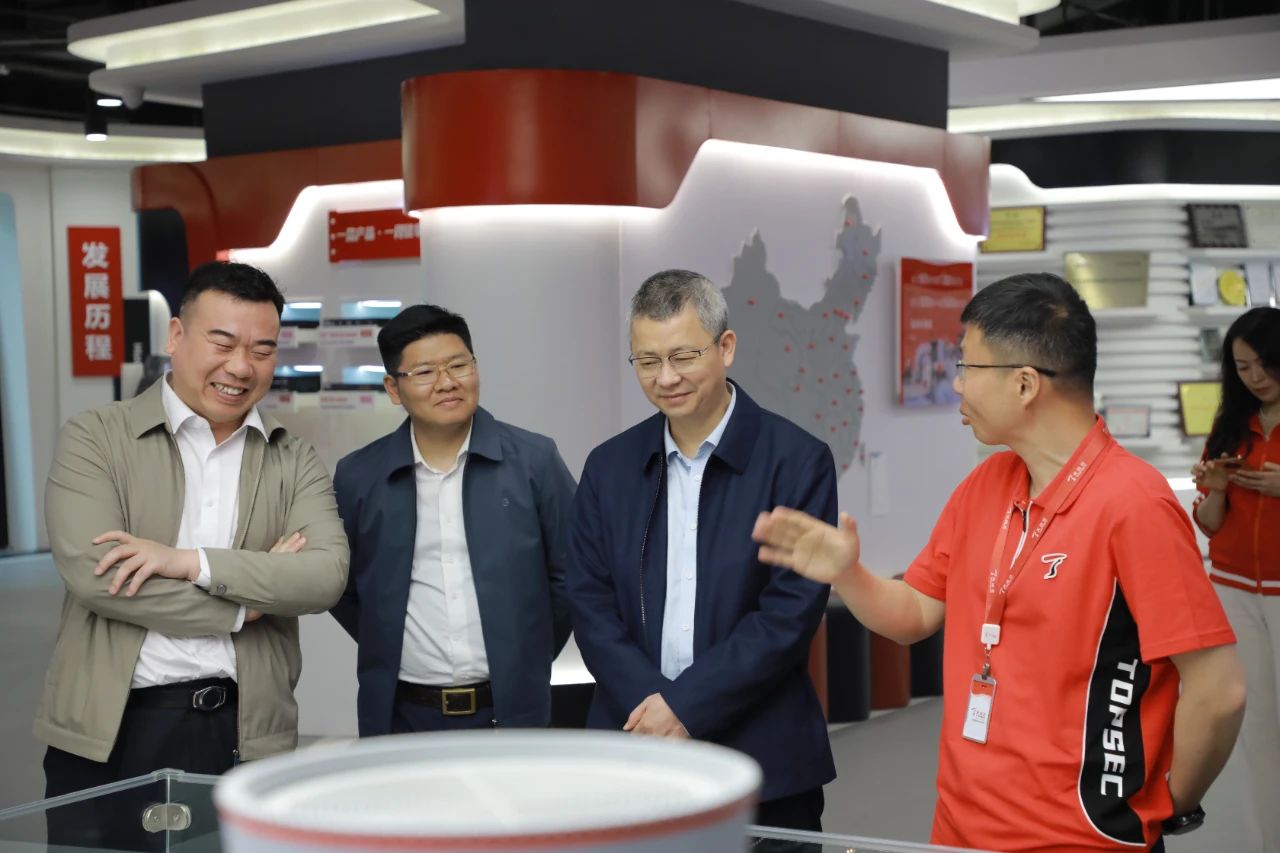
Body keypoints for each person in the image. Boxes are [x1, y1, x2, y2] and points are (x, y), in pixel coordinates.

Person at [753, 272, 1246, 852]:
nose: (956, 384)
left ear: (1025, 384)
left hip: (1079, 839)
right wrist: (849, 575)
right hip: (960, 829)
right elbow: (914, 613)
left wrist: (1166, 804)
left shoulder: (1133, 504)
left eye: (967, 366)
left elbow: (1218, 690)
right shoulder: (986, 484)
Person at [36, 261, 350, 846]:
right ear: (176, 336)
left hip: (244, 731)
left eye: (262, 350)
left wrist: (190, 563)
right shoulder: (96, 438)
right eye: (222, 343)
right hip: (111, 729)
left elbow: (324, 576)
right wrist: (247, 606)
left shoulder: (293, 459)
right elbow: (98, 576)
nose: (241, 367)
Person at [568, 269, 836, 833]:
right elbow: (590, 604)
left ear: (726, 347)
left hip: (763, 752)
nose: (666, 378)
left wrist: (686, 707)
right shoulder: (609, 467)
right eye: (647, 361)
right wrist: (654, 709)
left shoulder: (795, 460)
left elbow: (788, 614)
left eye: (683, 356)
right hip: (635, 742)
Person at [330, 304, 575, 733]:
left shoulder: (534, 461)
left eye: (459, 365)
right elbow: (341, 586)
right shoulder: (359, 476)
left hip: (511, 711)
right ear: (393, 388)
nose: (447, 382)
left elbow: (572, 573)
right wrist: (387, 642)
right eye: (425, 372)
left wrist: (526, 657)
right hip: (400, 714)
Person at [1191, 306, 1280, 852]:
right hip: (1234, 591)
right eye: (1242, 367)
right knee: (1259, 729)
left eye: (1264, 364)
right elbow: (1208, 522)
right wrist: (1219, 489)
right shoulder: (1230, 426)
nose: (1255, 377)